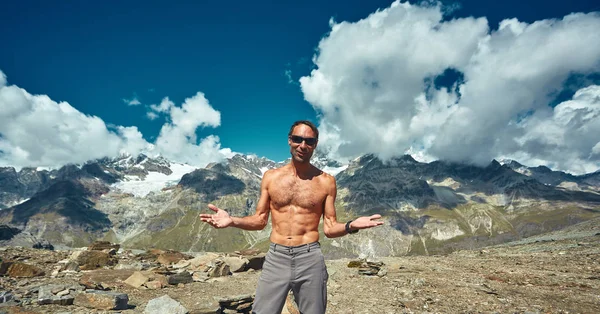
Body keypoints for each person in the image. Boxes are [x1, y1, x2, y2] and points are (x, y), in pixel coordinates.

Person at [200, 120, 383, 314]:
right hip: (276, 257)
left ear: (315, 144)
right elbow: (260, 219)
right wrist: (233, 220)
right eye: (298, 139)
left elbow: (329, 228)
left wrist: (351, 225)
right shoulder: (271, 177)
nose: (303, 146)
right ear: (289, 141)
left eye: (309, 141)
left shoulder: (326, 182)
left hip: (310, 257)